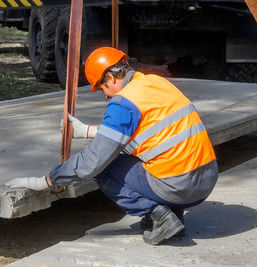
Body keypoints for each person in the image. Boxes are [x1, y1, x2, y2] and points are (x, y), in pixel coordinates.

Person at [5, 47, 219, 245]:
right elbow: (144, 132)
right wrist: (86, 131)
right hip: (206, 181)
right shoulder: (155, 82)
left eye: (101, 88)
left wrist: (45, 181)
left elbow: (94, 160)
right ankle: (173, 212)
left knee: (104, 168)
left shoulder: (123, 101)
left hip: (179, 188)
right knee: (131, 153)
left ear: (109, 77)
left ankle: (162, 217)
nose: (105, 95)